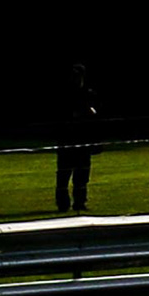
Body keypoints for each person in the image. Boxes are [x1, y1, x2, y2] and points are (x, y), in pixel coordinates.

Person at [54, 65, 99, 214]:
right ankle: (67, 202)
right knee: (66, 174)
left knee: (78, 174)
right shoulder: (71, 96)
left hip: (78, 139)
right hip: (71, 139)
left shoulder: (84, 94)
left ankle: (75, 201)